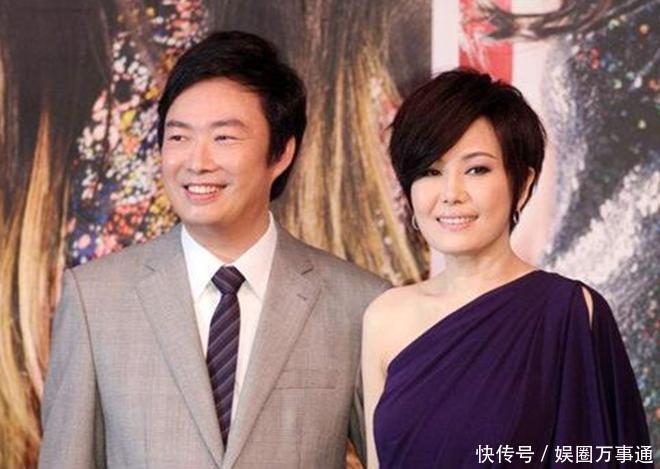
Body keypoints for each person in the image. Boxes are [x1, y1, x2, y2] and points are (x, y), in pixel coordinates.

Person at [39, 30, 389, 468]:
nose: (197, 162)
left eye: (224, 138)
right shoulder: (95, 300)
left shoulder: (358, 303)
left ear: (281, 152)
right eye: (178, 137)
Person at [362, 69, 650, 468]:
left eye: (477, 169)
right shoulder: (384, 316)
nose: (451, 194)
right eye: (430, 171)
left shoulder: (569, 311)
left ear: (523, 183)